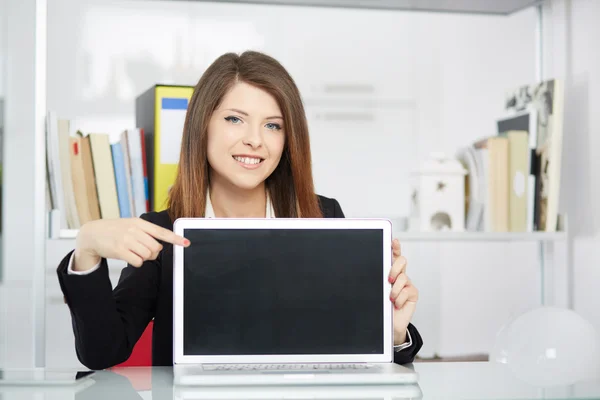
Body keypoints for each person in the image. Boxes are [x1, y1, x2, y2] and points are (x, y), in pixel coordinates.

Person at [56, 50, 423, 370]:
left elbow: (355, 347)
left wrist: (391, 333)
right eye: (235, 119)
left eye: (273, 125)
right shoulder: (162, 232)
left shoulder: (322, 216)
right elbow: (102, 353)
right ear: (203, 126)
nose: (255, 139)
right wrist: (86, 248)